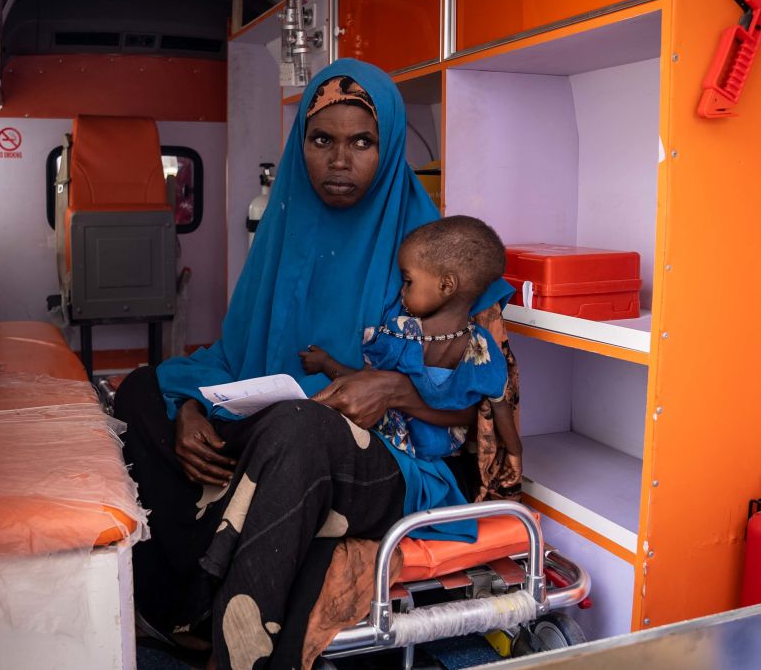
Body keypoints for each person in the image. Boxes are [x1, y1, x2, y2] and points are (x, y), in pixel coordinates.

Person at [114, 59, 520, 670]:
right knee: (144, 389)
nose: (339, 160)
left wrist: (394, 390)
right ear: (299, 143)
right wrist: (193, 405)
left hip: (391, 457)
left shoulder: (430, 249)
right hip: (277, 419)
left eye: (362, 142)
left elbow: (484, 403)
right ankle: (185, 605)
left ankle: (236, 647)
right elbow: (237, 355)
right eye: (322, 139)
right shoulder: (285, 230)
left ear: (386, 150)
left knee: (298, 431)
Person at [299, 215, 522, 474]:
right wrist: (516, 453)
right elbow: (500, 407)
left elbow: (363, 383)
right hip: (444, 458)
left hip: (388, 452)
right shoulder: (484, 349)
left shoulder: (402, 333)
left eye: (408, 281)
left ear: (446, 285)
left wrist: (327, 364)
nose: (401, 291)